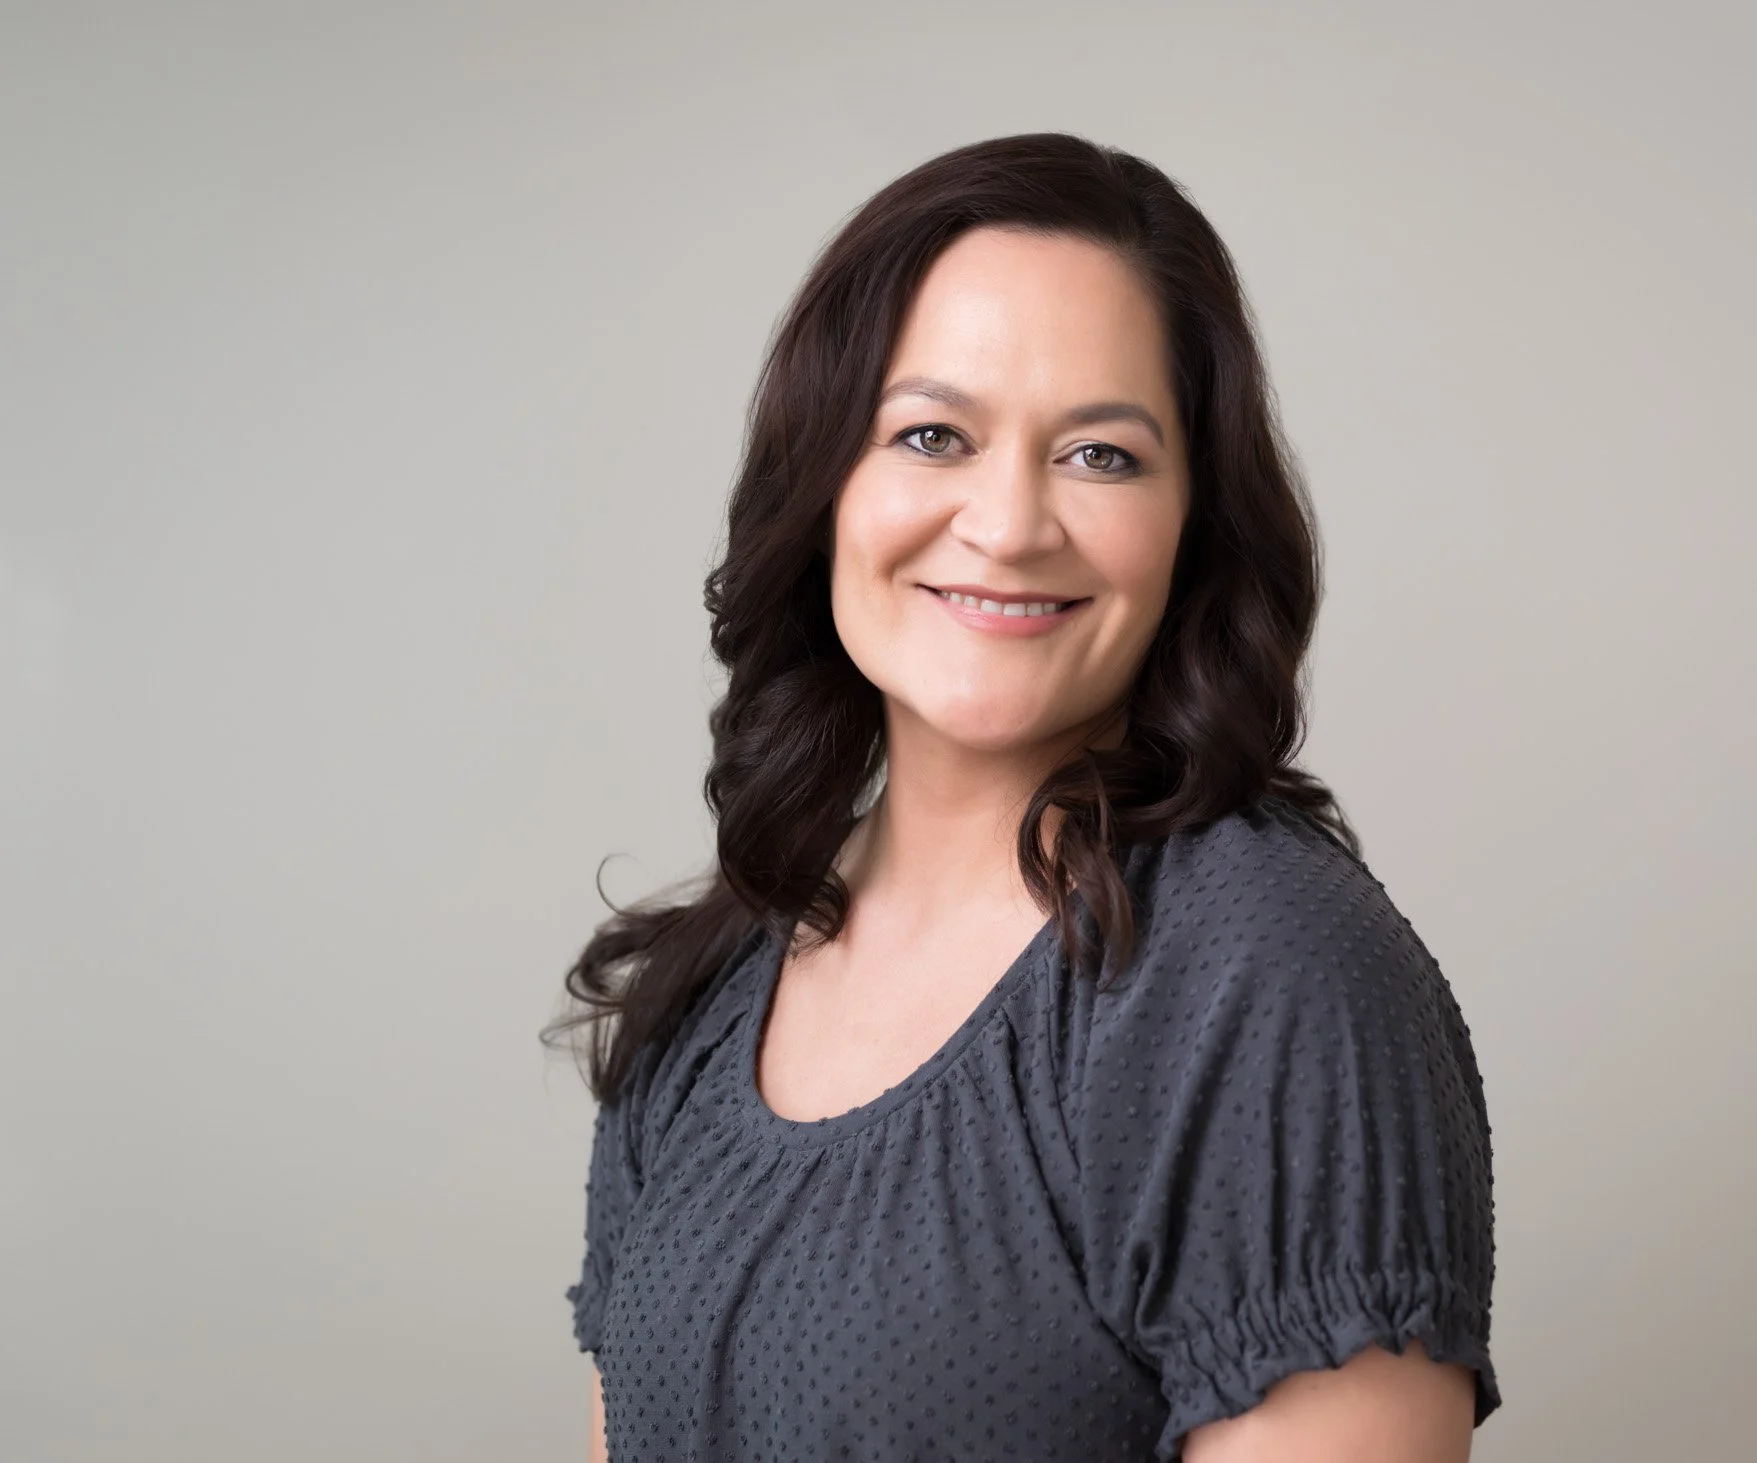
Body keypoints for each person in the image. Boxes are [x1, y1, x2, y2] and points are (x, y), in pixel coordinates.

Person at [548, 131, 1500, 1462]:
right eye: (932, 434)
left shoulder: (1270, 979)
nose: (1007, 524)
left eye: (1101, 455)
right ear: (826, 488)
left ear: (1193, 525)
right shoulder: (707, 992)